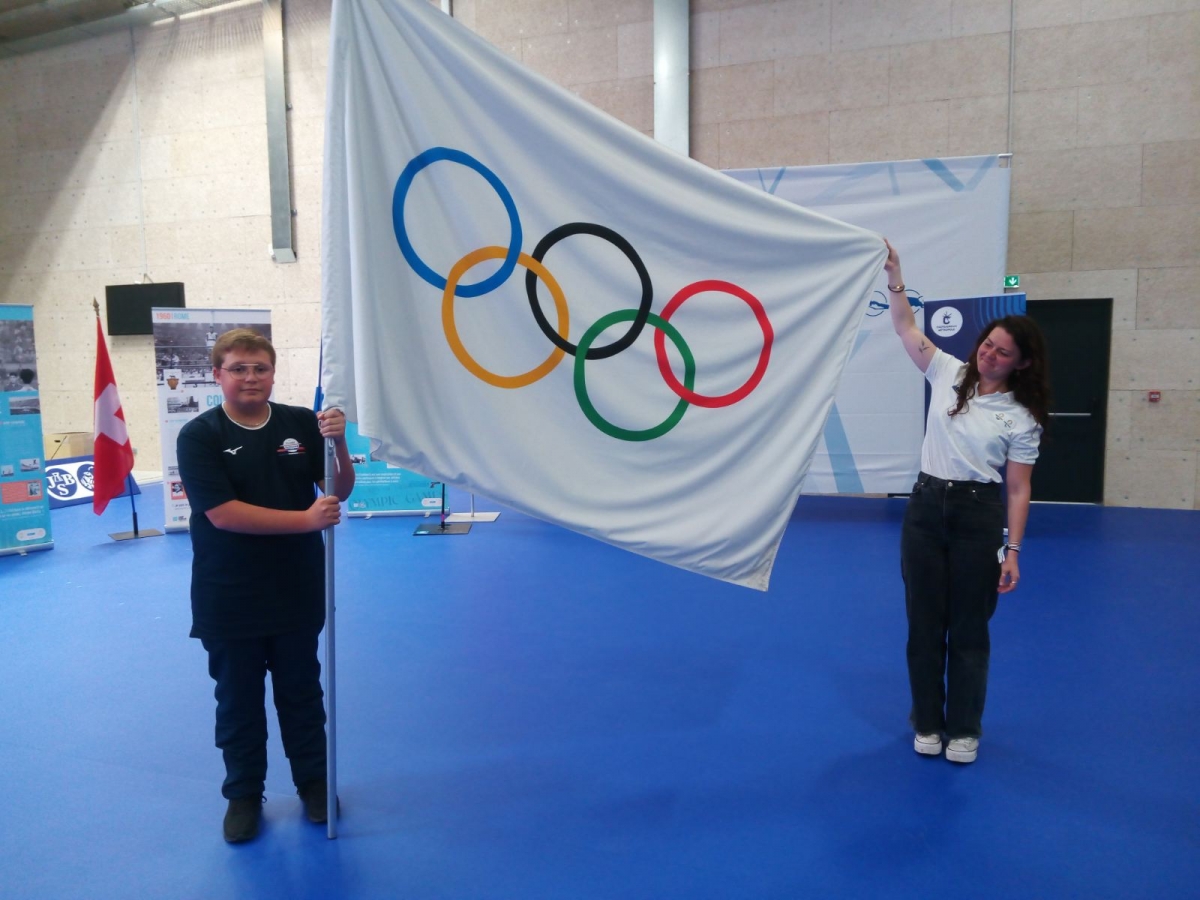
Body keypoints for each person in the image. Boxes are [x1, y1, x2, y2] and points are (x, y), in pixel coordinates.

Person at [177, 328, 355, 842]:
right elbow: (223, 514)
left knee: (302, 692)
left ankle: (316, 785)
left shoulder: (303, 423)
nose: (251, 377)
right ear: (218, 375)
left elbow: (338, 488)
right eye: (238, 368)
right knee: (238, 699)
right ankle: (243, 794)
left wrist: (338, 442)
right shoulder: (200, 435)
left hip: (297, 585)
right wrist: (305, 521)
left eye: (260, 368)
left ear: (273, 373)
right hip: (228, 591)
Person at [884, 240, 1050, 764]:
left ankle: (965, 729)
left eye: (1003, 352)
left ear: (1022, 364)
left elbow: (1018, 489)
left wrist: (1014, 550)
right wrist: (896, 275)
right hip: (926, 510)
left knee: (971, 629)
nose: (989, 354)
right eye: (988, 344)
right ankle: (928, 722)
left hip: (978, 518)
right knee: (925, 624)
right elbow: (907, 329)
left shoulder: (1023, 419)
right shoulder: (948, 373)